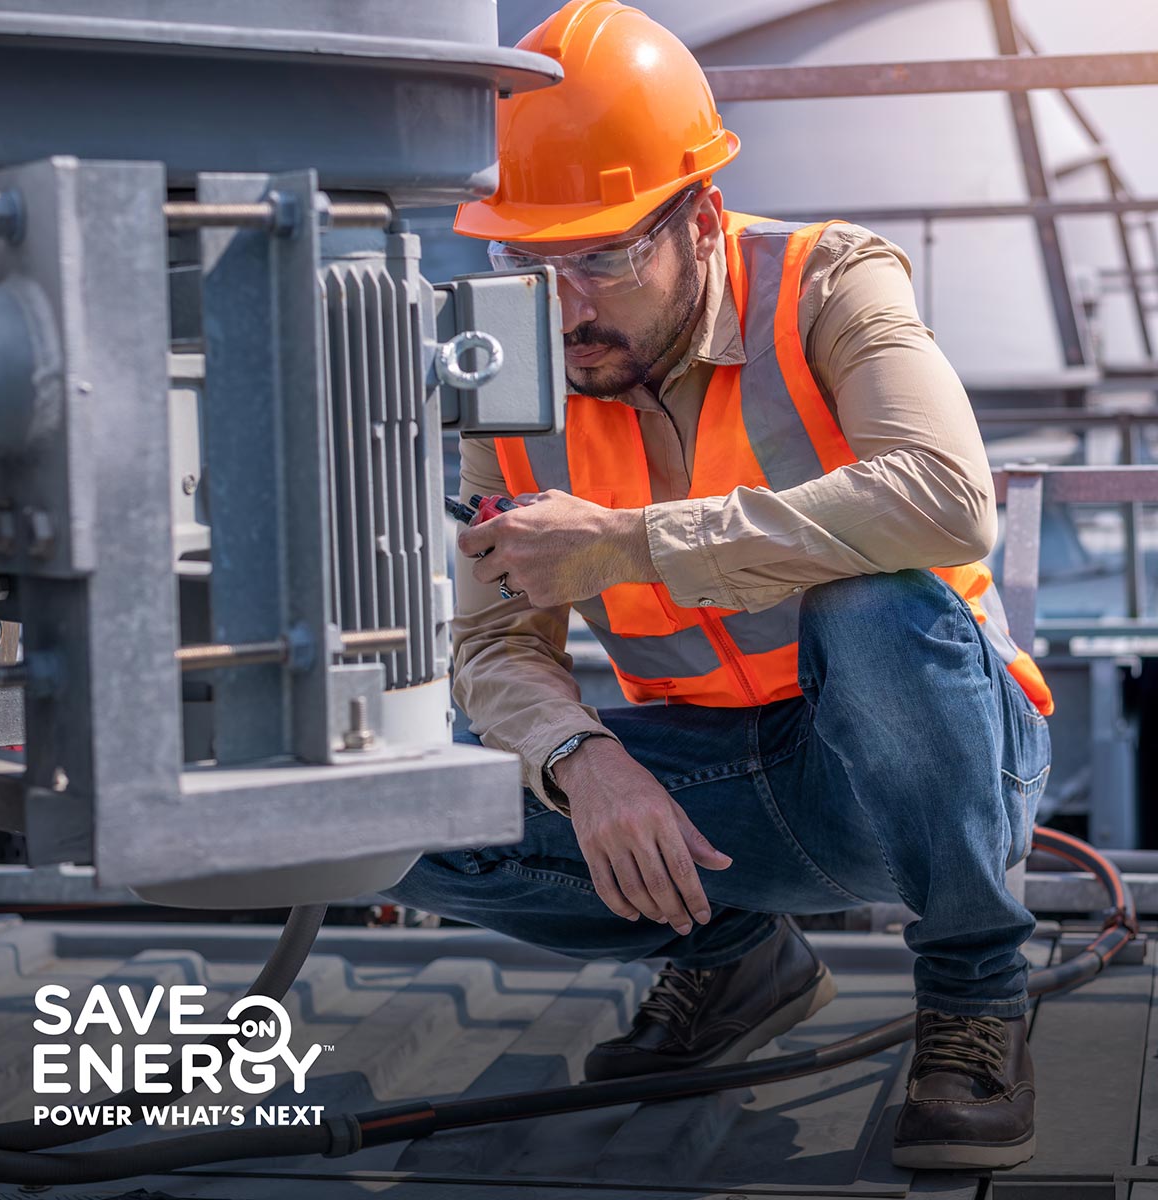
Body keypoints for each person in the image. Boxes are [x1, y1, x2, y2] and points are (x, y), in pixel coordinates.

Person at [383, 0, 1053, 1171]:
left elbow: (948, 497)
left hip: (922, 761)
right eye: (528, 260)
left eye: (600, 254)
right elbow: (494, 645)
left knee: (878, 605)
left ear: (699, 218)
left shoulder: (828, 282)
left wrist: (633, 545)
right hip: (722, 789)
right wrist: (579, 760)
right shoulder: (514, 374)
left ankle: (976, 996)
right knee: (391, 810)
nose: (566, 304)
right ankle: (734, 958)